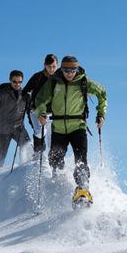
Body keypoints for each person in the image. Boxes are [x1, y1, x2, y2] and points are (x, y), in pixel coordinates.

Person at [34, 56, 107, 205]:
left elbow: (102, 93)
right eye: (66, 70)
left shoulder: (83, 81)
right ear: (62, 69)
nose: (69, 73)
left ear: (76, 69)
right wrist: (41, 113)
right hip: (59, 127)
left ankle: (82, 190)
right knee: (55, 159)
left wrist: (101, 114)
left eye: (72, 70)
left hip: (78, 127)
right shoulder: (54, 81)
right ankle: (60, 184)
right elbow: (40, 99)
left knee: (81, 159)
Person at [0, 70, 32, 171]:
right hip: (3, 130)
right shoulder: (2, 94)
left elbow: (30, 111)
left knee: (29, 148)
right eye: (15, 82)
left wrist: (30, 102)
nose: (17, 84)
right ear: (10, 80)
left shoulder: (24, 94)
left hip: (18, 128)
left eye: (20, 82)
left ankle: (26, 170)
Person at [23, 54, 58, 155]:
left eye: (54, 67)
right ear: (44, 65)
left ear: (57, 65)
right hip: (36, 111)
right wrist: (27, 96)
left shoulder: (59, 78)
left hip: (53, 114)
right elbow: (25, 90)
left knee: (53, 139)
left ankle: (54, 165)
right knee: (40, 132)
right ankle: (38, 155)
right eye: (49, 66)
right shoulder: (38, 77)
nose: (51, 69)